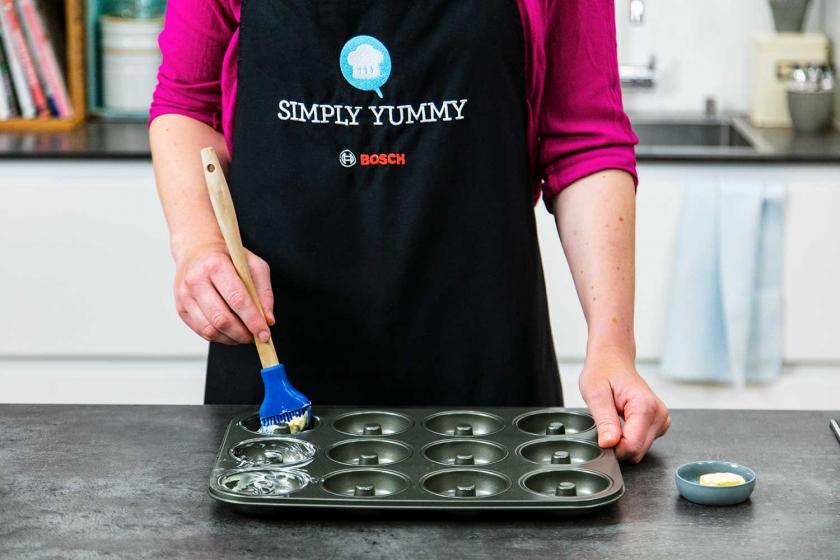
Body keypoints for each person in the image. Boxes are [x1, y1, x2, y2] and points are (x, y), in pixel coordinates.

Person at [149, 0, 670, 462]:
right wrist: (200, 243)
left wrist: (611, 347)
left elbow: (584, 140)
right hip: (278, 360)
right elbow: (187, 105)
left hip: (484, 365)